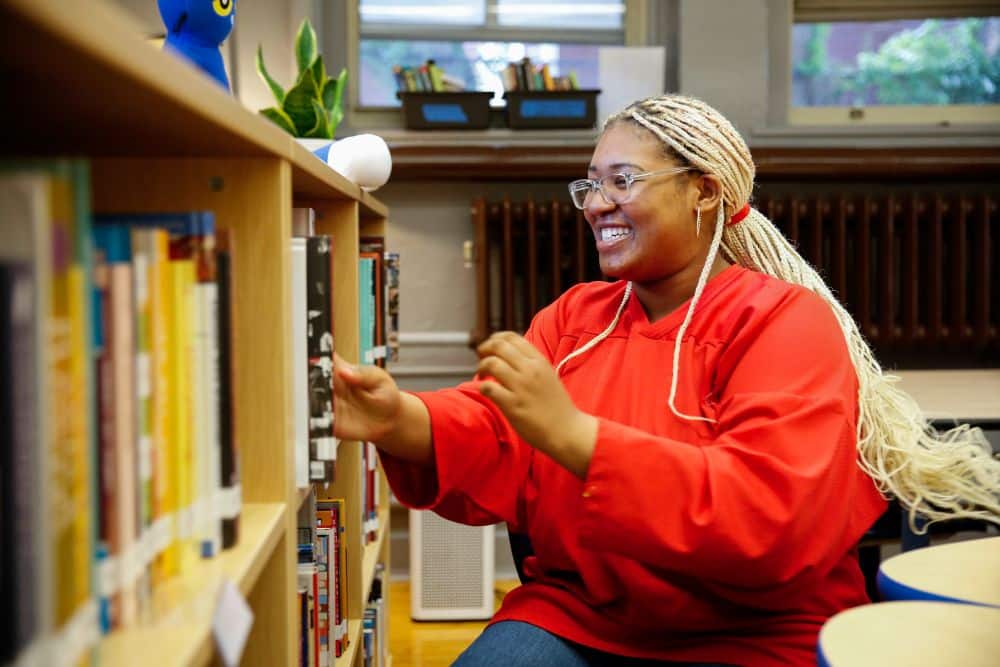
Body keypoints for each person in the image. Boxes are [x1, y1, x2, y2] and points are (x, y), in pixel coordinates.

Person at [331, 94, 1000, 667]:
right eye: (589, 185)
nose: (597, 204)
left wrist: (576, 436)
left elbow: (770, 515)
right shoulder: (573, 317)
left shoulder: (786, 320)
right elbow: (490, 427)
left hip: (757, 631)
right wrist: (398, 418)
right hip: (583, 613)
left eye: (622, 181)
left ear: (704, 190)